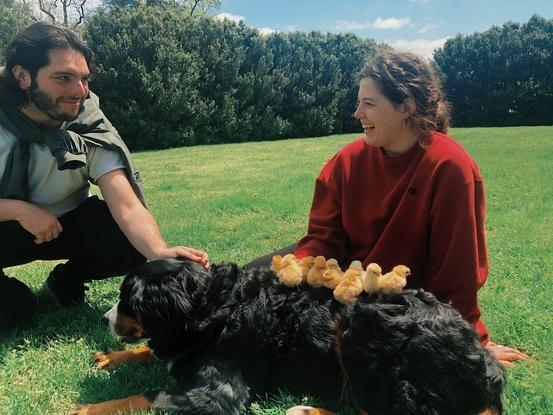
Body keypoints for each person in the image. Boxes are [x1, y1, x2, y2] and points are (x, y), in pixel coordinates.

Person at [247, 51, 527, 367]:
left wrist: (468, 343)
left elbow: (457, 271)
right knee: (251, 282)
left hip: (398, 301)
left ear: (406, 107)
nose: (357, 113)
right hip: (342, 284)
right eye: (358, 102)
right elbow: (323, 238)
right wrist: (298, 267)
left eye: (369, 104)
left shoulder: (449, 166)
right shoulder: (346, 162)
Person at [0, 22, 208, 327]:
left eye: (84, 79)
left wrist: (159, 253)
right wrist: (18, 210)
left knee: (126, 240)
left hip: (64, 224)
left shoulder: (87, 124)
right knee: (14, 313)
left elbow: (125, 204)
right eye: (63, 78)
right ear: (22, 76)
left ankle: (64, 281)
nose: (79, 91)